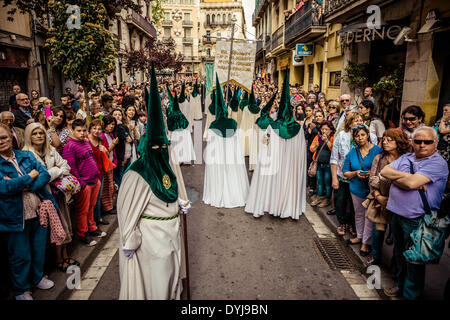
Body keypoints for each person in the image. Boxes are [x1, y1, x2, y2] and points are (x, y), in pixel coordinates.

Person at [117, 63, 189, 299]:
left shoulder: (168, 164)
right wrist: (130, 239)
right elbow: (127, 211)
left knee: (171, 278)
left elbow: (173, 187)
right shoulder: (136, 173)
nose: (161, 150)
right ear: (147, 147)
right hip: (150, 239)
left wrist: (180, 202)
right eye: (156, 146)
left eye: (164, 146)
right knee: (157, 281)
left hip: (172, 231)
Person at [381, 126, 449, 300]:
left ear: (435, 143)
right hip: (397, 215)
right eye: (418, 141)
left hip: (418, 220)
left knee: (414, 261)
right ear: (412, 142)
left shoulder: (438, 163)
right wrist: (408, 179)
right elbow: (385, 171)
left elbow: (411, 183)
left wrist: (401, 180)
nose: (422, 145)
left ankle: (410, 296)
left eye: (427, 141)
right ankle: (400, 286)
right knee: (400, 255)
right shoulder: (406, 157)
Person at [0, 123, 56, 300]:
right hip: (14, 218)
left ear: (11, 136)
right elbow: (4, 187)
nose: (1, 141)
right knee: (20, 256)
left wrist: (25, 185)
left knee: (38, 249)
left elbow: (45, 174)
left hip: (38, 212)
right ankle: (22, 290)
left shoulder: (26, 155)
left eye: (3, 137)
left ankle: (38, 278)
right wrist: (29, 177)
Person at [246, 69, 307, 220]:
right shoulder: (298, 129)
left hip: (273, 164)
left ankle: (268, 203)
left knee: (271, 182)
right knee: (286, 183)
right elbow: (301, 154)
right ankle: (286, 206)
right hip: (289, 166)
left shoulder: (272, 126)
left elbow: (265, 145)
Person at [22, 123, 79, 272]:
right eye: (34, 133)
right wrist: (54, 171)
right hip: (42, 198)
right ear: (29, 136)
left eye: (41, 133)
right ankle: (58, 260)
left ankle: (65, 256)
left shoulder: (51, 149)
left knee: (65, 225)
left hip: (59, 194)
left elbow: (66, 167)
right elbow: (36, 180)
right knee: (55, 228)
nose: (39, 136)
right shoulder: (26, 154)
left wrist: (50, 173)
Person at [203, 74, 249, 208]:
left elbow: (211, 148)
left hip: (218, 158)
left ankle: (218, 191)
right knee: (231, 173)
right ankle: (234, 191)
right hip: (231, 156)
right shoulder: (233, 124)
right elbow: (237, 143)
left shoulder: (212, 126)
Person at [330, 112, 378, 236]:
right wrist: (334, 178)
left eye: (361, 120)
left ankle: (353, 225)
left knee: (355, 205)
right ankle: (342, 223)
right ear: (349, 123)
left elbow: (375, 156)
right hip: (343, 175)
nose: (358, 123)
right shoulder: (342, 135)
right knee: (340, 200)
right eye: (355, 121)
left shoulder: (370, 136)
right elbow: (334, 158)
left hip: (361, 179)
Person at [367, 128, 410, 265]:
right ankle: (376, 256)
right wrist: (378, 196)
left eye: (389, 140)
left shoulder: (407, 159)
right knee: (378, 232)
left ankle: (396, 263)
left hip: (401, 203)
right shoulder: (379, 158)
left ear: (398, 142)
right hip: (381, 201)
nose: (385, 142)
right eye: (383, 139)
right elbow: (372, 179)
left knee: (398, 236)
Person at [62, 119, 106, 246]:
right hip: (84, 183)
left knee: (91, 207)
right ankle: (83, 233)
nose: (82, 133)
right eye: (79, 131)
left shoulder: (86, 142)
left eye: (84, 130)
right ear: (72, 131)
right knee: (83, 210)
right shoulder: (69, 146)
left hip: (94, 180)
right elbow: (71, 168)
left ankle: (92, 228)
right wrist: (81, 183)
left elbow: (91, 158)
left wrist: (97, 176)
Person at [343, 126, 382, 256]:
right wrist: (355, 173)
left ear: (367, 136)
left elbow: (384, 168)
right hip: (356, 189)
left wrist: (373, 173)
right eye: (357, 136)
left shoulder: (378, 151)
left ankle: (366, 243)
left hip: (373, 190)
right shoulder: (352, 153)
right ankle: (359, 236)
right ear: (354, 138)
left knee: (369, 216)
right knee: (359, 214)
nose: (360, 138)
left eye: (362, 135)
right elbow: (345, 172)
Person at [87, 119, 114, 226]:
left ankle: (98, 218)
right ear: (89, 129)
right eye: (94, 128)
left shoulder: (100, 139)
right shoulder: (86, 140)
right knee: (91, 200)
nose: (97, 131)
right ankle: (91, 221)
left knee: (98, 197)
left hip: (100, 171)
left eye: (99, 129)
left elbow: (106, 153)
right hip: (89, 173)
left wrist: (104, 150)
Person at [310, 121, 336, 208]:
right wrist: (315, 146)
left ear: (331, 130)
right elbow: (311, 149)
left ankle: (327, 199)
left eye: (326, 129)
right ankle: (319, 197)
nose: (324, 131)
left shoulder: (333, 137)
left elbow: (333, 149)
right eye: (322, 129)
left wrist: (327, 141)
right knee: (320, 181)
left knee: (327, 182)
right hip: (319, 164)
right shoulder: (318, 137)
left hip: (328, 165)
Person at [166, 91, 196, 164]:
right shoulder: (180, 113)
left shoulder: (171, 114)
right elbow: (186, 123)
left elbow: (169, 126)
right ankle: (183, 158)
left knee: (176, 147)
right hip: (183, 132)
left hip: (175, 133)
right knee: (182, 146)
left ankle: (177, 159)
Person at [99, 115, 118, 215]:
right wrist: (114, 144)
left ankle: (110, 206)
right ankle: (107, 208)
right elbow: (105, 152)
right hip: (105, 165)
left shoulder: (110, 135)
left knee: (110, 186)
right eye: (109, 124)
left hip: (110, 164)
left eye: (113, 124)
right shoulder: (102, 136)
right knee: (107, 187)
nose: (111, 126)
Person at [239, 87, 260, 171]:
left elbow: (243, 119)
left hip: (246, 126)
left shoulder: (245, 108)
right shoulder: (258, 109)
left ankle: (246, 151)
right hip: (254, 128)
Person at [111, 108, 132, 187]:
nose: (118, 116)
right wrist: (119, 125)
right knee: (119, 179)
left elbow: (129, 139)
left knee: (124, 177)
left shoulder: (124, 127)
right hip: (118, 157)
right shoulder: (113, 128)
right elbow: (121, 137)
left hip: (126, 155)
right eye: (115, 115)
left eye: (119, 115)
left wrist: (130, 139)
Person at [435, 104, 450, 170]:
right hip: (439, 148)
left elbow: (442, 130)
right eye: (443, 110)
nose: (444, 112)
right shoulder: (440, 120)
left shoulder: (442, 120)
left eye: (446, 110)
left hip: (448, 149)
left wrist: (443, 120)